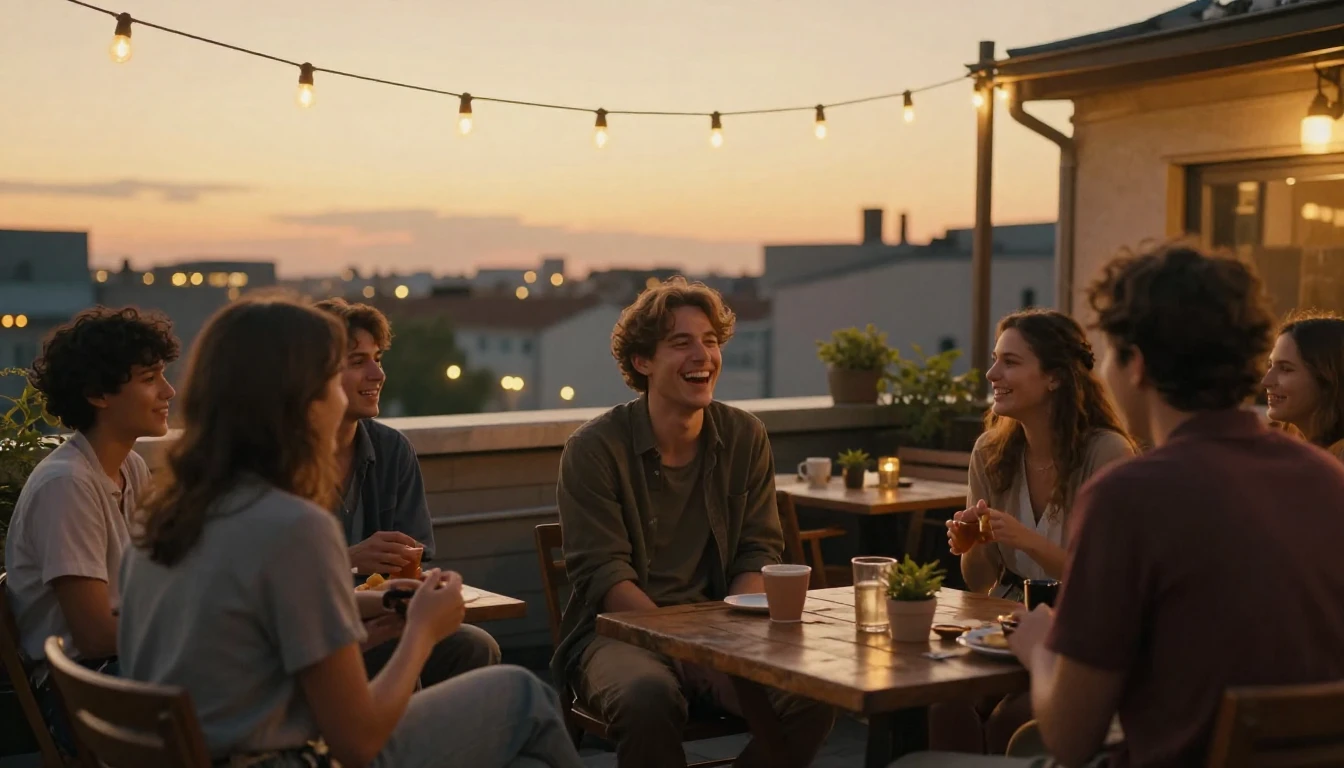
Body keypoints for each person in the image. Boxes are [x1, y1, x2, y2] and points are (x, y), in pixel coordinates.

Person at [896, 244, 1344, 768]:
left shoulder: (1131, 495)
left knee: (915, 765)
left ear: (1137, 365)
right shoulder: (1326, 480)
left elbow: (1070, 735)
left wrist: (1039, 646)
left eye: (1109, 352)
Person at [118, 297, 583, 768]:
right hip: (289, 758)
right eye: (332, 381)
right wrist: (422, 630)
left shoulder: (165, 514)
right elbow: (358, 742)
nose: (344, 398)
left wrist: (378, 607)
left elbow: (246, 648)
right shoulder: (293, 526)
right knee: (523, 692)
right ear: (298, 399)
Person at [551, 277, 835, 768]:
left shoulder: (745, 435)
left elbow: (760, 551)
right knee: (647, 698)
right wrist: (685, 651)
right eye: (681, 343)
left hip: (720, 629)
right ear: (643, 363)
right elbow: (604, 576)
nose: (702, 356)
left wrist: (726, 643)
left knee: (818, 692)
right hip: (619, 632)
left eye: (710, 341)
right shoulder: (594, 449)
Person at [931, 310, 1133, 754]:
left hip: (1082, 633)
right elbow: (979, 580)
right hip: (1004, 623)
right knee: (944, 704)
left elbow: (1104, 581)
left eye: (1010, 362)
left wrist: (1026, 539)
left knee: (1013, 718)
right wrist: (973, 543)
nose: (992, 373)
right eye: (994, 359)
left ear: (1055, 378)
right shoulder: (991, 452)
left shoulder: (1106, 453)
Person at [4, 306, 178, 751]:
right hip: (84, 694)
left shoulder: (130, 468)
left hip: (120, 673)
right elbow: (95, 635)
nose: (168, 391)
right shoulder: (67, 484)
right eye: (150, 379)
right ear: (99, 393)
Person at [314, 298, 500, 681]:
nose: (377, 374)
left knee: (476, 646)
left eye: (378, 358)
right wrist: (349, 559)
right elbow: (278, 590)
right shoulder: (280, 462)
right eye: (357, 361)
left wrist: (425, 585)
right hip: (316, 632)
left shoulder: (392, 450)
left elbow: (415, 560)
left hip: (384, 617)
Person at [1263, 311, 1344, 461]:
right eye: (1270, 366)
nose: (1266, 381)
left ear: (1328, 379)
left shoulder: (1336, 464)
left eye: (1286, 369)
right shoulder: (1278, 444)